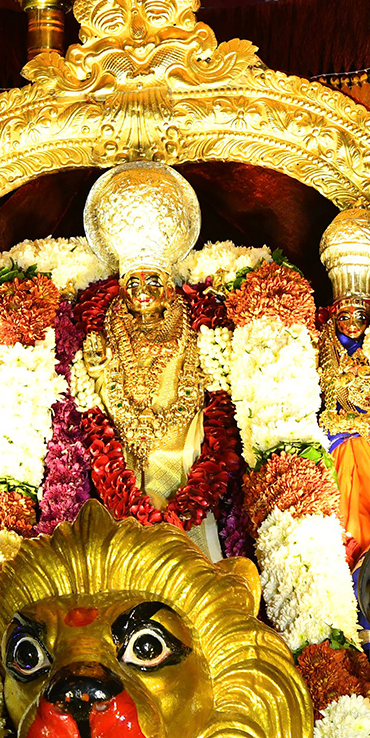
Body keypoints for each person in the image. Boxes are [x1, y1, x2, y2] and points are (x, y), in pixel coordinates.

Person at [81, 162, 220, 559]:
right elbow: (102, 386)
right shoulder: (108, 328)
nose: (142, 292)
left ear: (168, 288)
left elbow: (195, 379)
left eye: (153, 282)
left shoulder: (188, 327)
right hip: (122, 448)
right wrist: (98, 370)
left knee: (183, 549)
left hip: (175, 448)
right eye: (134, 284)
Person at [315, 207, 370, 566]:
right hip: (332, 449)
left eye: (359, 316)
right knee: (338, 527)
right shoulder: (319, 347)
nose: (350, 323)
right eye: (343, 315)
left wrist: (343, 425)